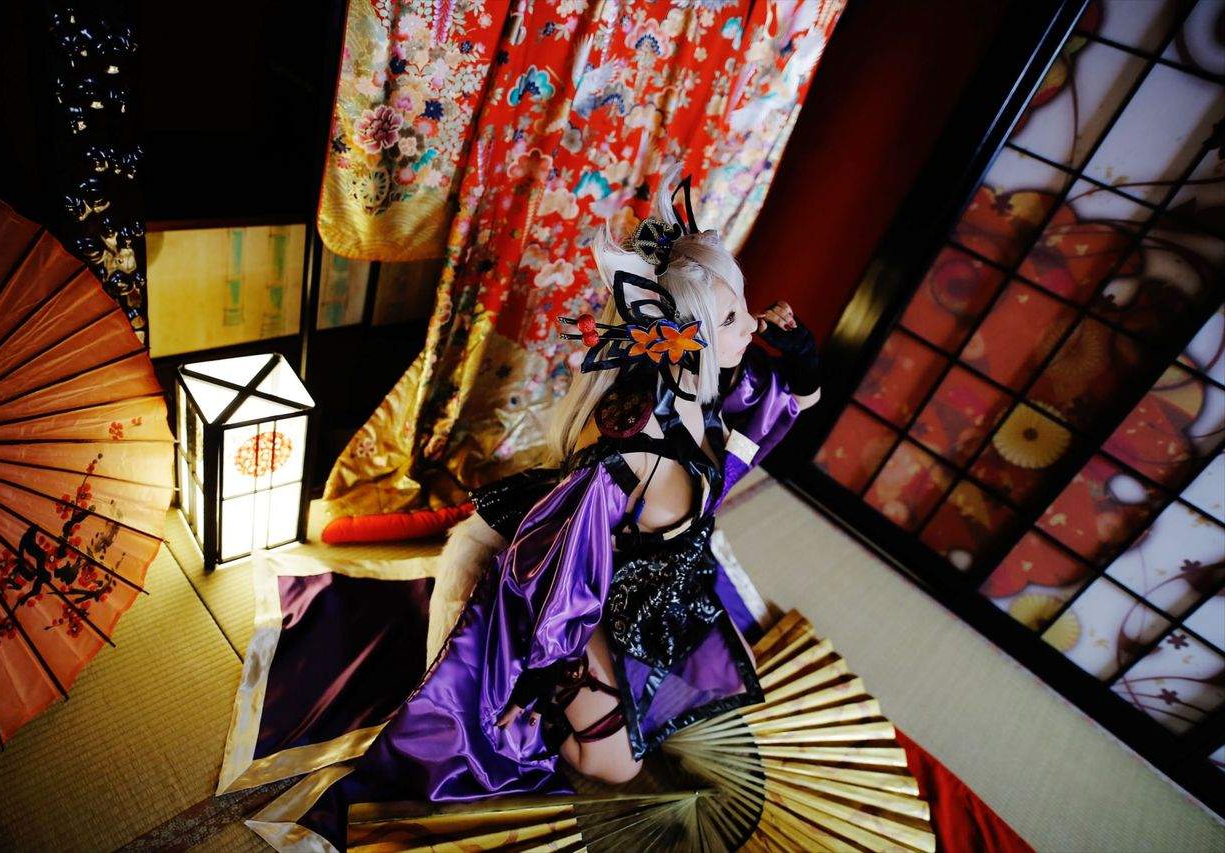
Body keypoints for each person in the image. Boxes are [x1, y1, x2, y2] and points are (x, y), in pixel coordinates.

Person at [219, 163, 822, 850]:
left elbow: (780, 408)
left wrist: (800, 357)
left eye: (742, 306)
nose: (752, 324)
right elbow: (552, 582)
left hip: (667, 589)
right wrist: (534, 682)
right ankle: (559, 692)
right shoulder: (631, 453)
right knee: (617, 765)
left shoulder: (707, 389)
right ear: (686, 338)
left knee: (729, 692)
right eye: (733, 317)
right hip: (599, 602)